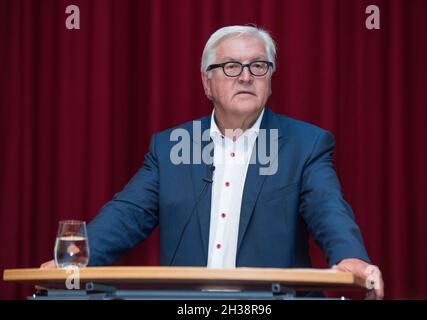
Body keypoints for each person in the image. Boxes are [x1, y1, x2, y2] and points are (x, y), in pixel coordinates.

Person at [41, 25, 384, 299]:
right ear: (208, 82)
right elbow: (126, 214)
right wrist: (69, 261)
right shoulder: (170, 147)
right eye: (232, 66)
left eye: (258, 66)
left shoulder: (305, 145)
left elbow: (329, 210)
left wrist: (349, 257)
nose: (246, 76)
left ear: (269, 78)